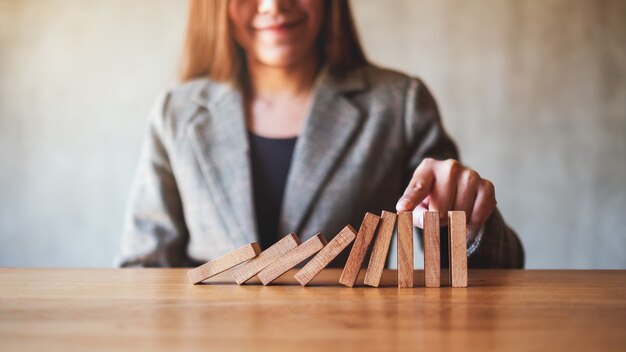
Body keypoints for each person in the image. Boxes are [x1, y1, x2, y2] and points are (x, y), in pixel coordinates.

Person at [118, 0, 524, 269]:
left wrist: (469, 228)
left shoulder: (398, 104)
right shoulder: (177, 113)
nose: (273, 5)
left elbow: (488, 271)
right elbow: (143, 266)